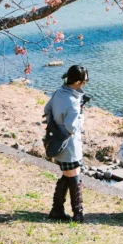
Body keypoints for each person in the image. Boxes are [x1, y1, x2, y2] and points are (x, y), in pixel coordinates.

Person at [44, 64, 89, 223]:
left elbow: (47, 109)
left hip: (57, 141)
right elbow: (72, 126)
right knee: (74, 177)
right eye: (85, 80)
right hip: (69, 145)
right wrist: (81, 115)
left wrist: (56, 126)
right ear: (77, 82)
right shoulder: (73, 103)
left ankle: (57, 210)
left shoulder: (58, 93)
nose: (85, 83)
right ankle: (78, 213)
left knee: (67, 175)